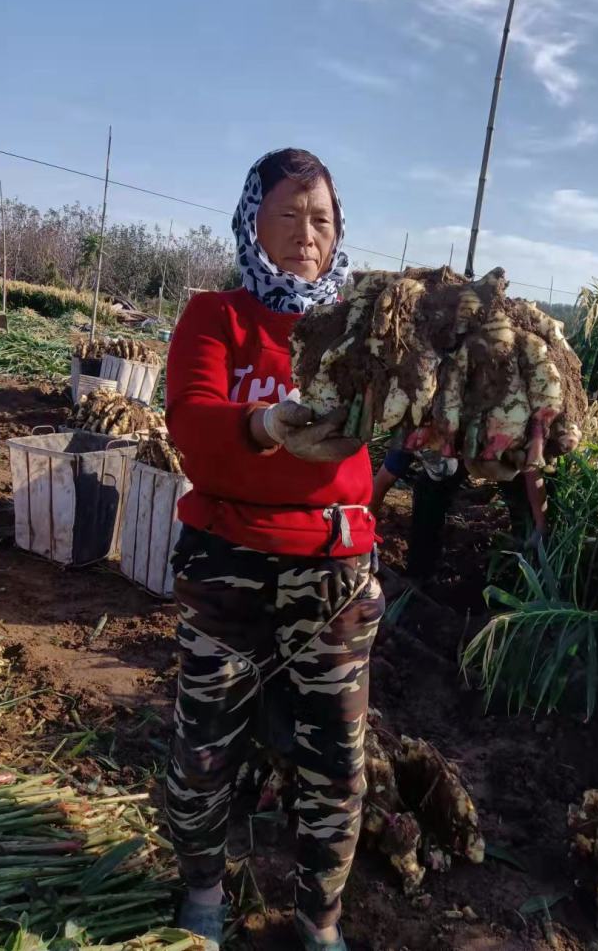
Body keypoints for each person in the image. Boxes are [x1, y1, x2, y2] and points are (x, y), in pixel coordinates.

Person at [164, 148, 382, 951]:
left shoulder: (361, 330)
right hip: (229, 564)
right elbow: (191, 425)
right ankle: (202, 888)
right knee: (204, 745)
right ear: (253, 221)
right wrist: (259, 425)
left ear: (339, 229)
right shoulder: (216, 317)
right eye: (287, 215)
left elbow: (397, 429)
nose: (305, 234)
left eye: (320, 218)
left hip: (333, 576)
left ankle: (319, 919)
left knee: (337, 762)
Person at [370, 448, 549, 584]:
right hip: (454, 452)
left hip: (503, 454)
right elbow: (383, 480)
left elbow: (532, 473)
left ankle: (529, 573)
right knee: (428, 491)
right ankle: (420, 572)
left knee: (522, 499)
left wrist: (540, 525)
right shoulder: (420, 429)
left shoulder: (510, 428)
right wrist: (363, 532)